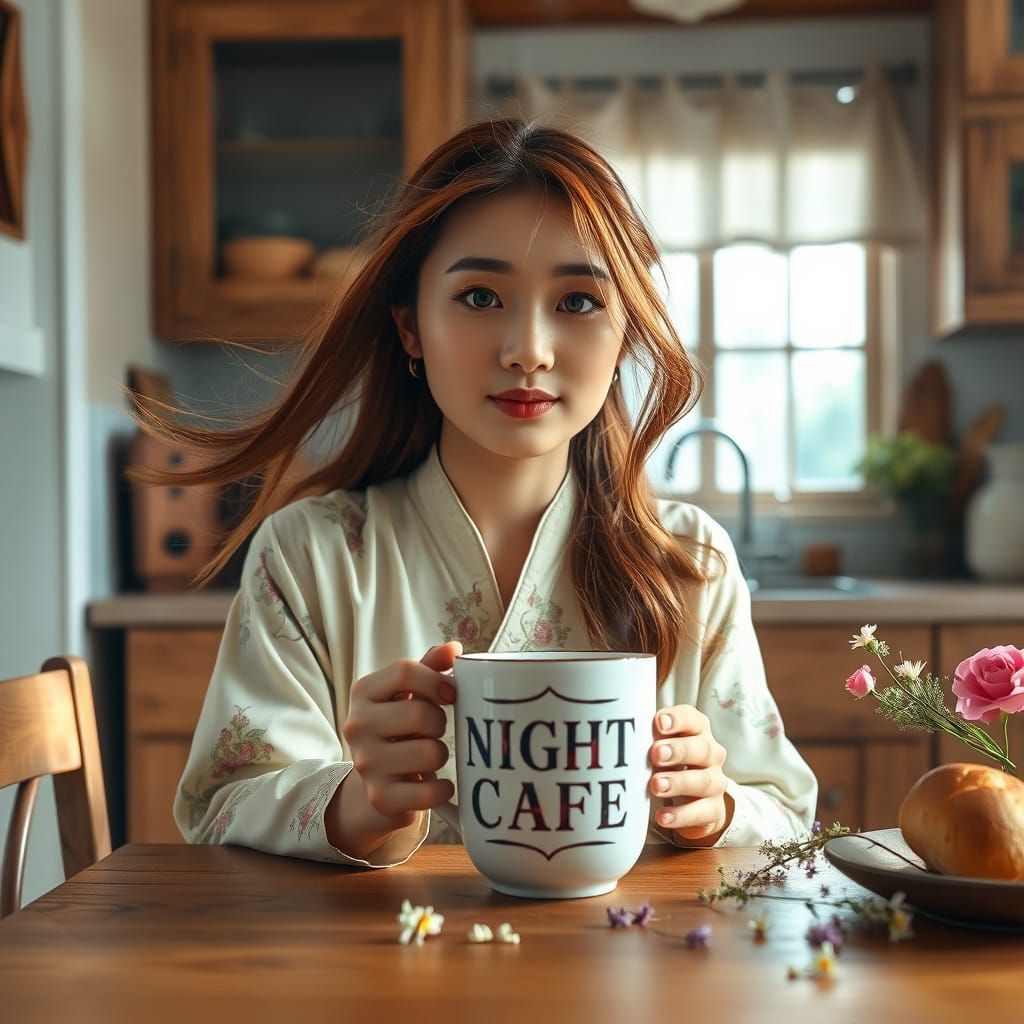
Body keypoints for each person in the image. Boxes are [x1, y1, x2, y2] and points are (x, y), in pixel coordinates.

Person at [135, 117, 817, 868]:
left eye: (580, 302)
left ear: (625, 333)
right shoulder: (309, 554)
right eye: (481, 297)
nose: (528, 349)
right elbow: (221, 804)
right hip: (379, 977)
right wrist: (359, 803)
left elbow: (784, 810)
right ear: (410, 328)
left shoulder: (691, 562)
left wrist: (713, 806)